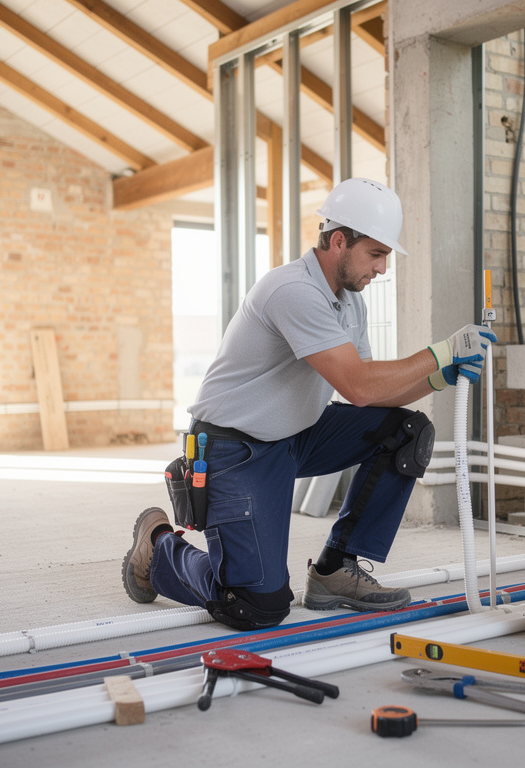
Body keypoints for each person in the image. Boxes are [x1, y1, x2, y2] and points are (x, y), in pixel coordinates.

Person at [120, 177, 495, 631]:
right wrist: (440, 352)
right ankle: (159, 548)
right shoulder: (292, 290)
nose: (381, 268)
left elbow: (372, 395)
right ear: (339, 241)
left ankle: (335, 570)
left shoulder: (349, 300)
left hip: (296, 434)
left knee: (405, 431)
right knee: (255, 606)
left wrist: (437, 378)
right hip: (236, 449)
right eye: (376, 254)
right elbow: (358, 386)